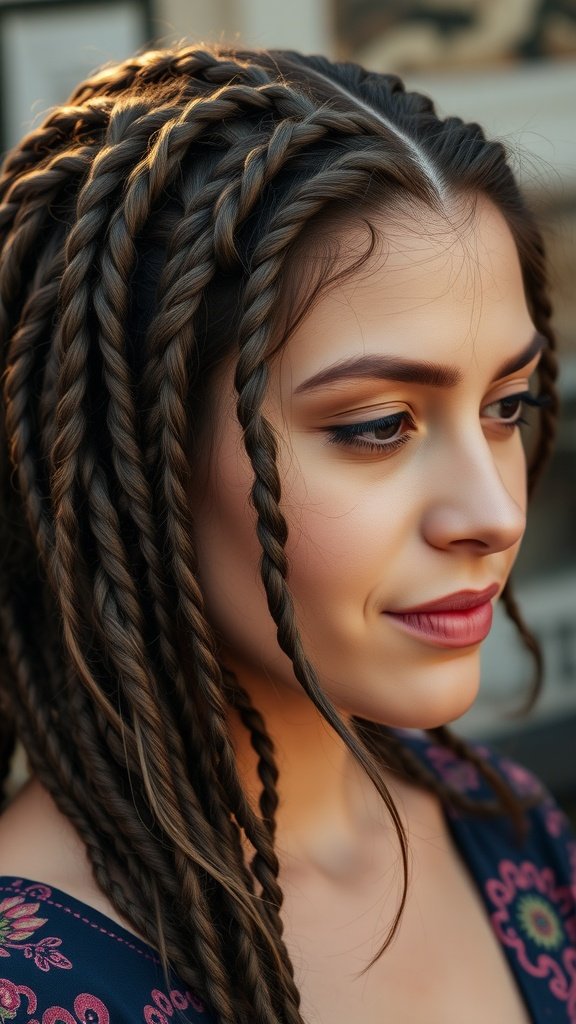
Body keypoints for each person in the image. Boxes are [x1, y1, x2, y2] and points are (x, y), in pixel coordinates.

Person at [0, 42, 573, 1024]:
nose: (495, 513)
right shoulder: (30, 984)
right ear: (132, 453)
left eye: (507, 405)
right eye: (379, 426)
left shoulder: (513, 834)